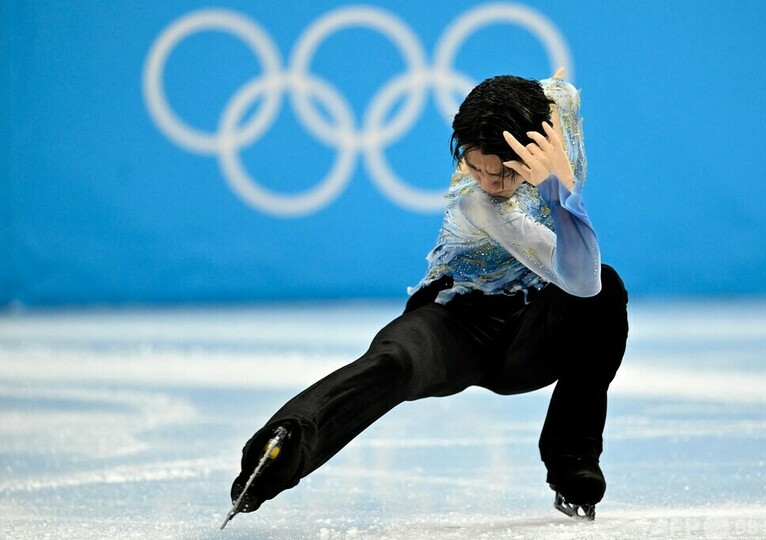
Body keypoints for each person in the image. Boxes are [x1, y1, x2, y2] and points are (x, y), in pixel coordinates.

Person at [227, 68, 629, 522]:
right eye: (475, 167)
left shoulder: (559, 116)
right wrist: (560, 192)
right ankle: (286, 444)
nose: (488, 180)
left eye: (501, 171)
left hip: (531, 335)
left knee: (607, 292)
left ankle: (573, 458)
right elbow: (576, 276)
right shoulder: (479, 202)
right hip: (455, 326)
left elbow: (587, 286)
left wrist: (559, 187)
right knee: (393, 362)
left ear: (535, 145)